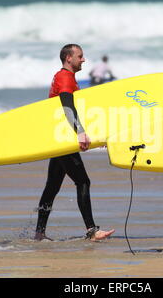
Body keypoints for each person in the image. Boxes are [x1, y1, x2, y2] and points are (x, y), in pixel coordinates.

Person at [34, 44, 115, 241]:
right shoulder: (64, 77)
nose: (83, 59)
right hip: (63, 137)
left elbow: (76, 109)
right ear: (68, 58)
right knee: (83, 181)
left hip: (60, 137)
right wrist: (80, 132)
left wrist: (94, 136)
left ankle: (39, 233)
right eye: (80, 56)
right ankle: (92, 231)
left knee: (52, 186)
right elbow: (66, 104)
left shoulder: (66, 77)